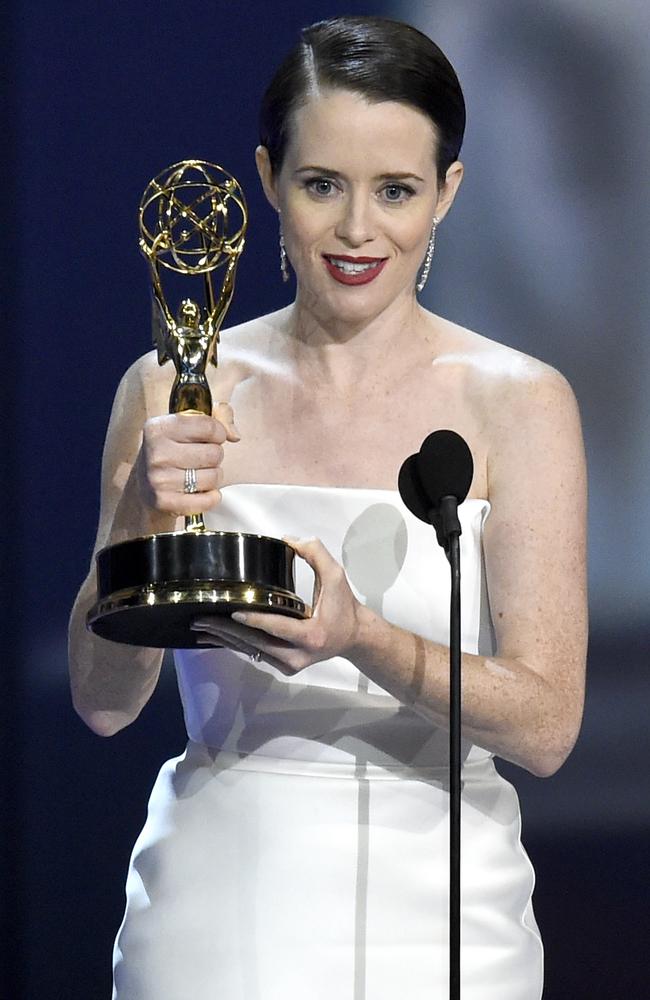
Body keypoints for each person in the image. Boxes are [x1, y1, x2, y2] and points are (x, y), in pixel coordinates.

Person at [68, 15, 587, 1000]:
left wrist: (360, 635)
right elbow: (102, 701)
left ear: (446, 193)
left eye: (394, 189)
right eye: (321, 185)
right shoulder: (173, 387)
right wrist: (137, 511)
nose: (356, 231)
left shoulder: (517, 402)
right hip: (224, 910)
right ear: (267, 179)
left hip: (447, 914)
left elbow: (547, 726)